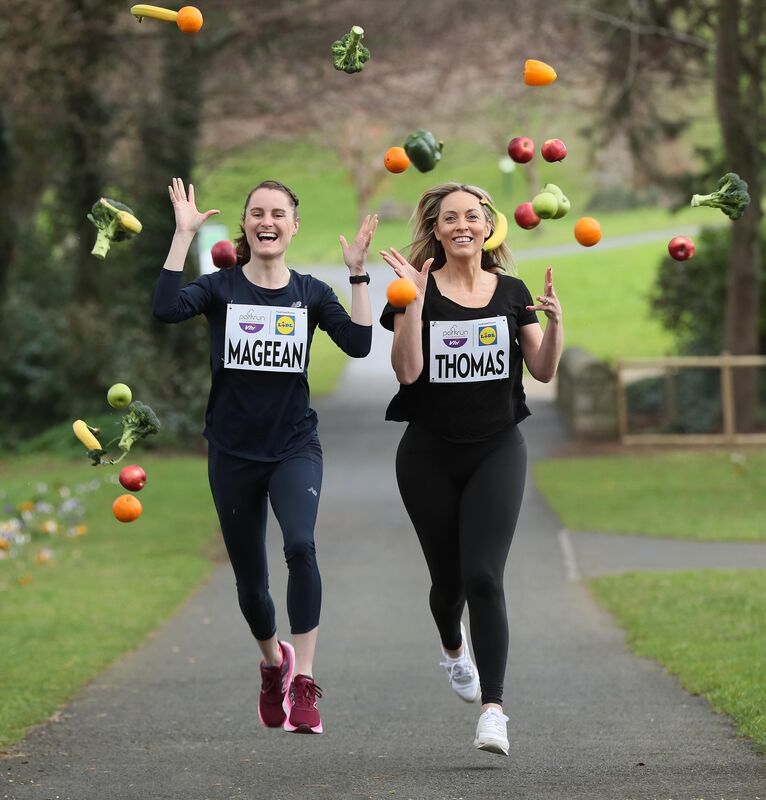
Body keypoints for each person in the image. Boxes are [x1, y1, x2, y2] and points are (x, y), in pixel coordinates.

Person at [153, 177, 377, 734]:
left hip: (294, 446)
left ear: (294, 226)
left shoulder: (310, 293)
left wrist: (356, 273)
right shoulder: (221, 288)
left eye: (278, 212)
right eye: (257, 213)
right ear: (247, 226)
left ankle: (305, 682)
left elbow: (360, 344)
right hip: (232, 452)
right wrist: (182, 235)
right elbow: (164, 309)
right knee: (251, 583)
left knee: (301, 545)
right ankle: (274, 664)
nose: (267, 220)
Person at [379, 182, 562, 756]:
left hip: (497, 449)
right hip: (428, 453)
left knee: (484, 577)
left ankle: (494, 711)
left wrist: (555, 323)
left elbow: (544, 369)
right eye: (450, 217)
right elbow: (408, 374)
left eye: (473, 216)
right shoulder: (413, 289)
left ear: (488, 227)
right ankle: (454, 651)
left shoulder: (511, 290)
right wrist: (408, 302)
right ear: (436, 230)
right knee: (448, 585)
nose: (463, 224)